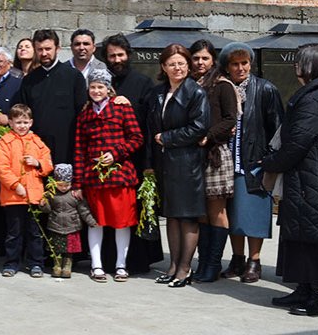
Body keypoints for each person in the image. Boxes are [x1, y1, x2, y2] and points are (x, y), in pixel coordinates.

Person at [263, 44, 318, 317]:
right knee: (301, 238)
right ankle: (304, 289)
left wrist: (269, 163)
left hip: (314, 182)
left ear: (312, 66)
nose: (296, 67)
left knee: (314, 241)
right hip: (311, 179)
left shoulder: (314, 100)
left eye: (300, 62)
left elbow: (296, 145)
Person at [217, 43, 283, 285]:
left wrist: (269, 158)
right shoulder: (222, 88)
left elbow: (278, 127)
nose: (240, 68)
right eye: (235, 64)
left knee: (254, 213)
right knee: (234, 214)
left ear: (251, 64)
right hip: (227, 161)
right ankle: (237, 259)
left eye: (244, 63)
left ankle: (254, 261)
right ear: (227, 67)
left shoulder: (265, 89)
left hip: (254, 161)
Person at [147, 43, 209, 288]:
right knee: (172, 216)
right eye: (172, 64)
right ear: (164, 67)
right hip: (165, 163)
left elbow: (199, 127)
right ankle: (172, 266)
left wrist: (168, 138)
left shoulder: (195, 92)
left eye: (181, 63)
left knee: (188, 216)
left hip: (187, 162)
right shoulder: (158, 93)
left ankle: (185, 268)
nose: (177, 68)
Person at [72, 69, 143, 283]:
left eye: (100, 87)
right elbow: (79, 150)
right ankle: (97, 265)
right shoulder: (84, 115)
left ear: (108, 88)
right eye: (92, 87)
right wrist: (78, 182)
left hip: (120, 176)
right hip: (93, 178)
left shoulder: (122, 109)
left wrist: (116, 153)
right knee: (95, 222)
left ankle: (121, 265)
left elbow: (137, 138)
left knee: (122, 222)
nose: (96, 91)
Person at [102, 33, 162, 274]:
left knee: (134, 211)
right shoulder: (101, 82)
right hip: (106, 160)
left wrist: (129, 106)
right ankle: (109, 260)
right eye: (112, 56)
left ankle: (137, 260)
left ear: (128, 55)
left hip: (135, 159)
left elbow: (149, 122)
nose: (117, 60)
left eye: (120, 55)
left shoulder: (143, 83)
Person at [192, 48, 241, 282]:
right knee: (200, 212)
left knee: (216, 211)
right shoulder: (191, 84)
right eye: (196, 58)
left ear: (213, 60)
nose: (200, 62)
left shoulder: (223, 84)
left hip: (215, 154)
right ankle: (203, 262)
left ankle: (213, 264)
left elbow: (231, 119)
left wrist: (208, 135)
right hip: (194, 156)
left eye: (205, 58)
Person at [0, 104, 53, 278]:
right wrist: (15, 185)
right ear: (11, 123)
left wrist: (38, 163)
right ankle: (12, 263)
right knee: (14, 232)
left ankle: (36, 263)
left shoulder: (37, 141)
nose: (22, 126)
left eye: (25, 122)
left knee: (34, 232)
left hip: (34, 195)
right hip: (13, 196)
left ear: (31, 122)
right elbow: (1, 168)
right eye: (18, 122)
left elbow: (49, 163)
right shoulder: (5, 142)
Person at [11, 29, 87, 164]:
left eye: (48, 49)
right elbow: (23, 113)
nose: (44, 53)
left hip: (66, 146)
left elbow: (82, 112)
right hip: (36, 147)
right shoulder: (29, 80)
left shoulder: (74, 76)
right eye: (40, 49)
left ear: (57, 48)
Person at [43, 164, 97, 279]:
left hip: (72, 227)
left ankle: (67, 266)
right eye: (60, 185)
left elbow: (83, 210)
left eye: (66, 185)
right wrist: (43, 204)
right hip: (55, 226)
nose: (63, 188)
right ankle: (57, 265)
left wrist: (91, 221)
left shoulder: (75, 195)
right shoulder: (51, 194)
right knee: (56, 248)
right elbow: (47, 210)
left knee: (69, 249)